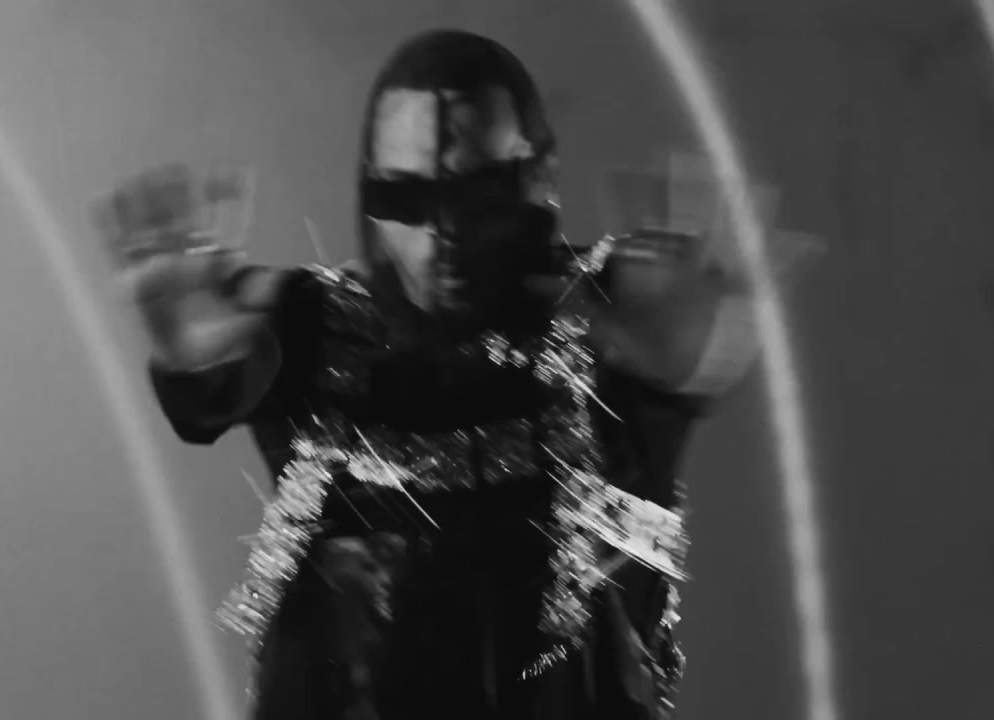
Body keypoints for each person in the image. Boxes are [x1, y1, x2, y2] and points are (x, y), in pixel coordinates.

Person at [98, 29, 774, 720]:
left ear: (537, 178)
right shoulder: (314, 325)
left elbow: (661, 399)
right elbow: (214, 389)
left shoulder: (610, 318)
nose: (444, 229)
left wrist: (680, 372)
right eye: (407, 195)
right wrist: (197, 357)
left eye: (478, 192)